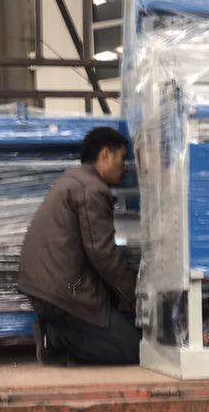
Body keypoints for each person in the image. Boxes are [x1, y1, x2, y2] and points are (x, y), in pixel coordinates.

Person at [17, 126, 140, 365]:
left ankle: (59, 335)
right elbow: (102, 254)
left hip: (50, 286)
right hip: (62, 292)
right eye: (122, 158)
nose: (124, 167)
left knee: (116, 317)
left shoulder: (75, 180)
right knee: (135, 350)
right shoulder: (91, 189)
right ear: (105, 155)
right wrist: (136, 295)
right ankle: (55, 340)